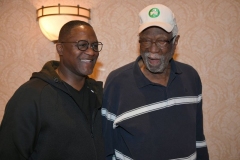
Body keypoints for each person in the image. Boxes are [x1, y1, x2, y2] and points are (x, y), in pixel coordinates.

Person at [102, 4, 209, 160]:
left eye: (161, 41)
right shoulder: (117, 82)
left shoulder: (190, 77)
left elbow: (198, 137)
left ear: (175, 41)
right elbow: (106, 146)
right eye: (146, 41)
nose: (153, 50)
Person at [0, 20, 105, 160]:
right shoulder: (31, 95)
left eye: (94, 45)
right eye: (82, 45)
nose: (91, 52)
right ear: (60, 48)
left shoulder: (99, 95)